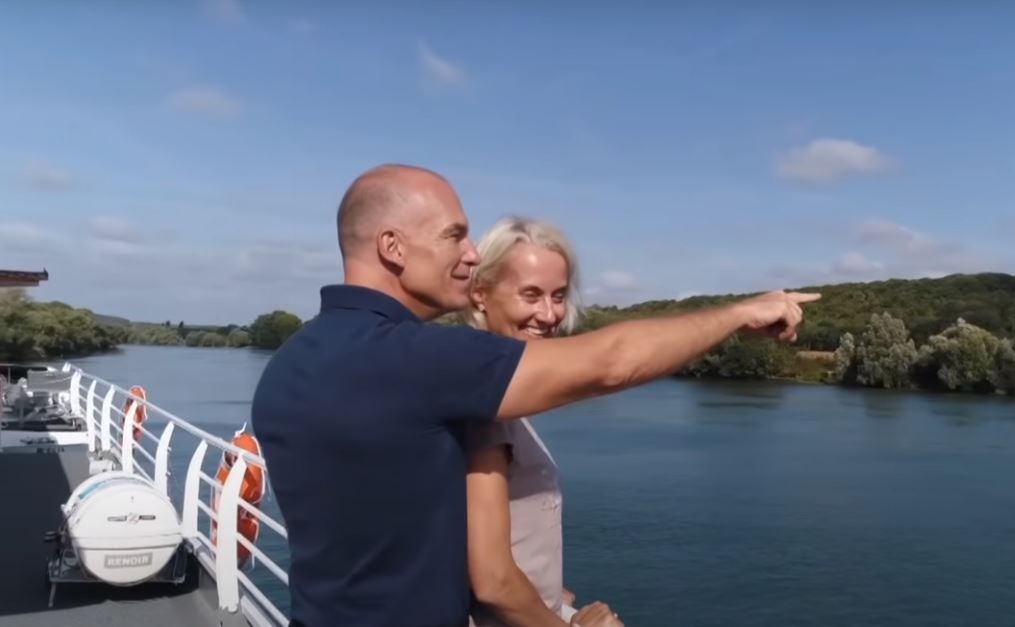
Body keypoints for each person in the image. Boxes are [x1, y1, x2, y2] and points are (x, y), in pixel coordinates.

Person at [251, 164, 818, 627]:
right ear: (392, 247)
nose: (470, 254)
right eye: (453, 234)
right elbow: (612, 363)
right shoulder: (417, 360)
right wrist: (742, 312)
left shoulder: (286, 367)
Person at [458, 216, 615, 627]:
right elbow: (492, 583)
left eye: (558, 295)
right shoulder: (483, 409)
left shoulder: (490, 389)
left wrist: (546, 588)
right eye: (531, 295)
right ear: (480, 293)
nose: (549, 314)